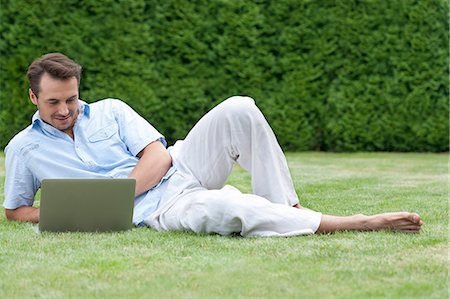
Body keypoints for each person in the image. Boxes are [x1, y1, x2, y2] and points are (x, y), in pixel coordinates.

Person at [3, 53, 423, 236]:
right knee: (226, 209)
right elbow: (16, 211)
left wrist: (117, 195)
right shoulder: (23, 149)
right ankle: (354, 222)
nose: (65, 109)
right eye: (54, 102)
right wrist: (69, 210)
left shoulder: (110, 109)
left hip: (180, 167)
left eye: (72, 98)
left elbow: (157, 154)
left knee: (239, 108)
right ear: (34, 97)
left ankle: (290, 208)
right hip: (161, 210)